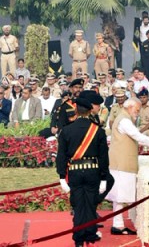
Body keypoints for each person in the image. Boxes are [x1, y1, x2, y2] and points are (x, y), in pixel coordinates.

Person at [106, 98, 149, 235]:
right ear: (129, 107)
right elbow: (138, 136)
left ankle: (118, 224)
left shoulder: (123, 117)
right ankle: (118, 225)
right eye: (136, 110)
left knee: (120, 195)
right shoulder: (124, 120)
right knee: (121, 195)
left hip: (120, 161)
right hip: (122, 161)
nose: (137, 113)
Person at [56, 93, 110, 247]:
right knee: (91, 203)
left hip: (75, 171)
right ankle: (90, 233)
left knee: (78, 205)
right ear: (89, 111)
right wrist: (104, 178)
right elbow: (103, 157)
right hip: (93, 171)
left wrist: (61, 178)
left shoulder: (66, 131)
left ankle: (79, 238)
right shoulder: (98, 131)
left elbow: (61, 157)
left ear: (77, 111)